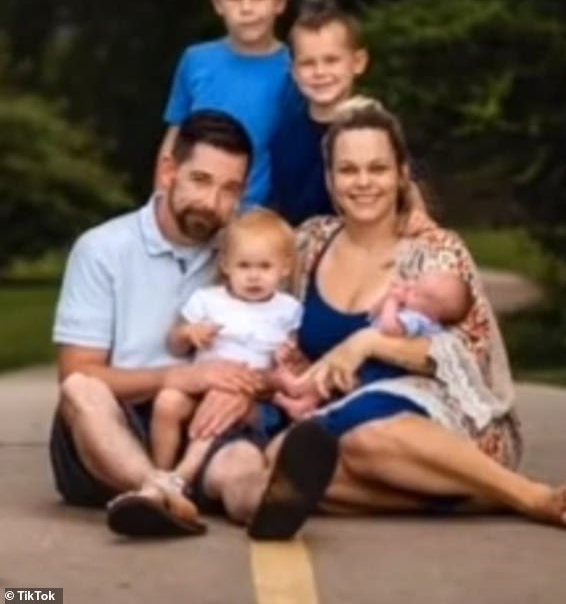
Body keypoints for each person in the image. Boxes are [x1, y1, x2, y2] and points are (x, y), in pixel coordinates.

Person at [192, 96, 566, 539]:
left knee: (364, 437)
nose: (362, 183)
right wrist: (242, 383)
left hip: (443, 422)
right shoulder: (307, 244)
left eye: (376, 169)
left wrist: (368, 343)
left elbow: (468, 358)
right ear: (330, 177)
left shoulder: (435, 250)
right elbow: (250, 309)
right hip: (327, 423)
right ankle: (465, 498)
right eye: (348, 170)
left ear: (400, 174)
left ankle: (528, 494)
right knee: (281, 459)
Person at [48, 110, 338, 538]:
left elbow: (272, 343)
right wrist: (182, 375)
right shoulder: (102, 249)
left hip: (208, 419)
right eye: (201, 180)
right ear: (169, 171)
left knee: (240, 466)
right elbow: (79, 371)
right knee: (80, 390)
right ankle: (156, 489)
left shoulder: (243, 249)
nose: (213, 202)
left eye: (230, 189)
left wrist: (248, 387)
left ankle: (269, 501)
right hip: (114, 424)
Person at [150, 208, 302, 487]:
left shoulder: (287, 309)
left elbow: (294, 359)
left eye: (264, 267)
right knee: (167, 401)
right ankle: (159, 473)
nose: (254, 276)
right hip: (198, 389)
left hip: (254, 402)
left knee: (221, 402)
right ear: (226, 265)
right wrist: (188, 333)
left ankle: (183, 476)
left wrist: (287, 354)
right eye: (244, 266)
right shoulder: (208, 300)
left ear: (285, 268)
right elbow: (173, 343)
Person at [154, 0, 300, 208]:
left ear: (279, 1)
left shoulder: (295, 69)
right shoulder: (195, 60)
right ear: (217, 2)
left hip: (258, 220)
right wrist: (160, 201)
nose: (246, 8)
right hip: (195, 211)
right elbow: (175, 138)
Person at [271, 6, 429, 226]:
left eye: (331, 60)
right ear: (294, 71)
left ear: (358, 62)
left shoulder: (378, 125)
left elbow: (410, 186)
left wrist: (418, 217)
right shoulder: (285, 134)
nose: (319, 72)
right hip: (306, 250)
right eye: (308, 63)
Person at [272, 268, 473, 420]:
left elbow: (388, 328)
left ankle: (299, 389)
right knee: (334, 381)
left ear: (432, 312)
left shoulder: (416, 320)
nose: (410, 287)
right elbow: (374, 314)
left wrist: (393, 301)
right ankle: (303, 404)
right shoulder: (416, 312)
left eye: (417, 293)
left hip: (385, 371)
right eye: (414, 283)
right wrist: (387, 298)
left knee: (342, 387)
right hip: (371, 364)